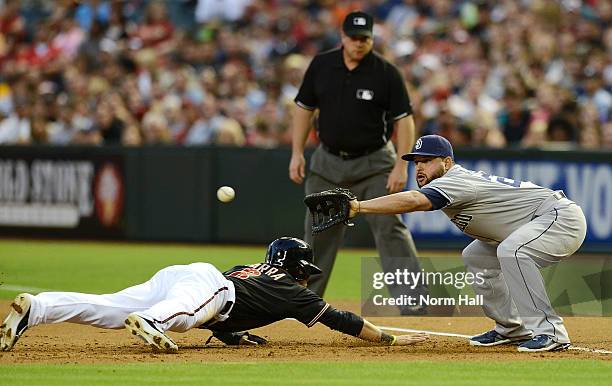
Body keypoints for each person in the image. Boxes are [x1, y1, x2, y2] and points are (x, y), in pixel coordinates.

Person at [342, 134, 587, 352]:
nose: (419, 168)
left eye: (427, 161)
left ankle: (551, 332)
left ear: (446, 162)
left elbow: (416, 201)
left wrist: (360, 206)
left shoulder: (455, 180)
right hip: (533, 222)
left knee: (512, 251)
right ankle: (511, 328)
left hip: (558, 218)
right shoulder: (449, 180)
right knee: (476, 256)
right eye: (416, 162)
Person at [0, 237, 428, 353]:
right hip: (209, 289)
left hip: (190, 277)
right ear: (296, 268)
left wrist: (236, 337)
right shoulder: (289, 291)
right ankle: (154, 322)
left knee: (111, 308)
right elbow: (343, 320)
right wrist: (388, 338)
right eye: (305, 272)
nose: (306, 280)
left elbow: (224, 319)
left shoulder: (254, 273)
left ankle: (38, 307)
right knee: (182, 316)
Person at [289, 11, 423, 302]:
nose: (359, 43)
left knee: (390, 228)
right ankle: (306, 302)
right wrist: (297, 153)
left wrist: (402, 164)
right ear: (343, 37)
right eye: (354, 37)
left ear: (372, 39)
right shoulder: (322, 65)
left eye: (365, 38)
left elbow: (404, 119)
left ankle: (412, 300)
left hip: (374, 163)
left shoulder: (385, 72)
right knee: (319, 231)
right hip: (328, 163)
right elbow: (303, 109)